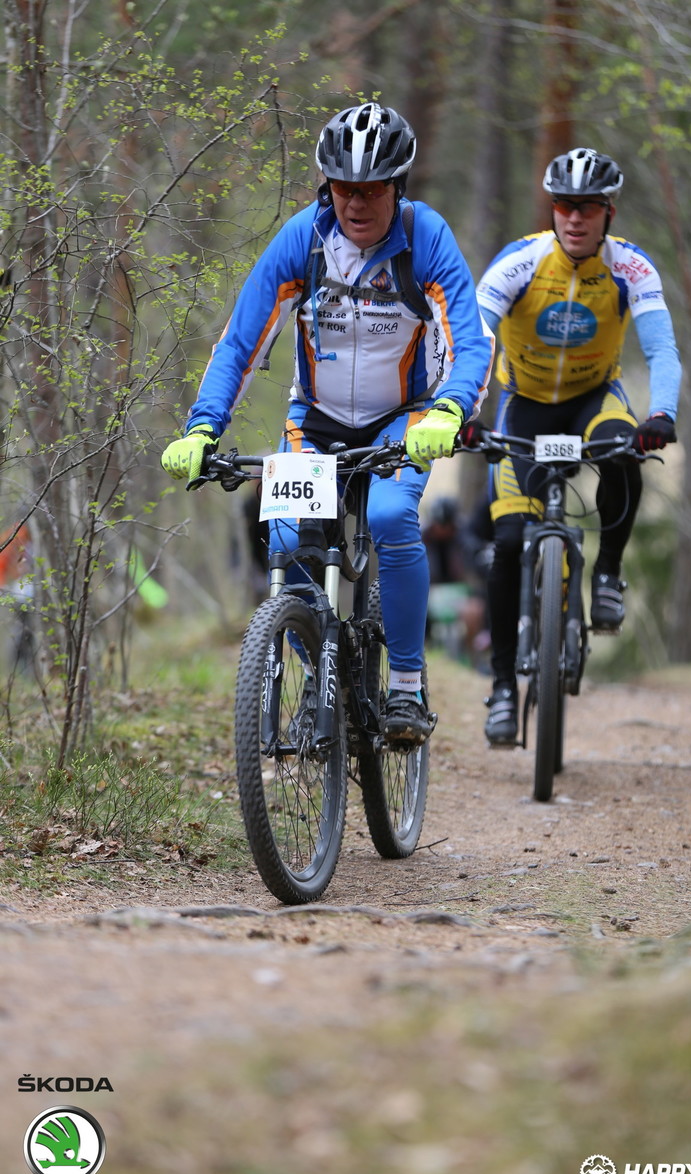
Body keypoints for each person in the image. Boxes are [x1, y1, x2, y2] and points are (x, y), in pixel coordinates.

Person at [161, 102, 494, 744]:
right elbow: (240, 343)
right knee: (287, 538)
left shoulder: (425, 238)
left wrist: (450, 410)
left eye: (370, 190)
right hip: (314, 421)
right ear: (328, 186)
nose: (356, 203)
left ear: (397, 187)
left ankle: (404, 685)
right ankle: (323, 669)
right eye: (344, 189)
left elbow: (470, 343)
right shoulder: (302, 241)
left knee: (394, 517)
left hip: (405, 418)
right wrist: (202, 427)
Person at [475, 146, 681, 745]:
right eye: (564, 205)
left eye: (587, 207)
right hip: (525, 407)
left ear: (608, 212)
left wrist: (662, 412)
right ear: (554, 209)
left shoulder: (630, 267)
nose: (574, 218)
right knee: (509, 543)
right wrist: (461, 410)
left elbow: (663, 349)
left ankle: (608, 575)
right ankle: (503, 689)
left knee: (625, 450)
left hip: (595, 400)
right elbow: (474, 336)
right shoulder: (519, 262)